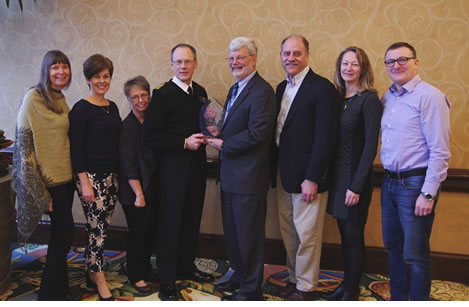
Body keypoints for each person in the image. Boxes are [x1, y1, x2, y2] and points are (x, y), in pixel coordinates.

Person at [206, 37, 276, 301]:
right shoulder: (235, 88)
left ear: (254, 60)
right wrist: (217, 129)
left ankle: (250, 290)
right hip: (231, 176)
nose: (235, 62)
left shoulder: (262, 91)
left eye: (240, 57)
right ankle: (238, 275)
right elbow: (237, 126)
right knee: (234, 234)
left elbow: (259, 134)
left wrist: (223, 143)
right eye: (231, 58)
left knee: (249, 237)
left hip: (249, 178)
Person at [142, 43, 213, 301]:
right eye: (178, 62)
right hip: (172, 171)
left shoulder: (201, 92)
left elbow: (206, 124)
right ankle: (167, 281)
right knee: (170, 225)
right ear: (172, 65)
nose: (183, 66)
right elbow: (150, 136)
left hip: (197, 168)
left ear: (195, 64)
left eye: (188, 61)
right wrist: (184, 142)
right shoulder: (162, 94)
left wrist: (211, 133)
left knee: (191, 220)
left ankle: (185, 265)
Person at [380, 42, 450, 300]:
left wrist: (428, 193)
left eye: (402, 59)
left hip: (415, 185)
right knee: (394, 248)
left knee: (416, 254)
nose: (396, 65)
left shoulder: (430, 97)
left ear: (416, 62)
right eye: (390, 62)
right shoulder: (387, 97)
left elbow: (440, 151)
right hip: (389, 184)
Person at [274, 35, 339, 301]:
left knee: (307, 236)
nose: (291, 58)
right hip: (283, 174)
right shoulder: (281, 87)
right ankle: (293, 278)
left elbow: (325, 138)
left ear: (307, 55)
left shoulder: (322, 88)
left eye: (297, 53)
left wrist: (313, 177)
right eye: (286, 53)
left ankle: (307, 287)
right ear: (280, 56)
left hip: (308, 179)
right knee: (289, 233)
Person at [12, 50, 75, 301]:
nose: (61, 72)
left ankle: (59, 288)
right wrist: (39, 189)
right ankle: (49, 295)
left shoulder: (60, 98)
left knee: (63, 237)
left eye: (64, 67)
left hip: (66, 179)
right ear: (46, 71)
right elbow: (23, 147)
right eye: (55, 67)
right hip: (50, 183)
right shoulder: (33, 97)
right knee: (62, 237)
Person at [322, 47, 382, 301]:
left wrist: (356, 186)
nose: (349, 68)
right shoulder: (337, 99)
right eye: (345, 64)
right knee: (344, 236)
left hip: (355, 181)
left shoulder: (369, 100)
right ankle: (345, 284)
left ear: (363, 69)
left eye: (354, 64)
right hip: (337, 180)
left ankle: (351, 290)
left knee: (354, 236)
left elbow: (370, 147)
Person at [69, 54, 121, 301]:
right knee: (97, 229)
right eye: (97, 76)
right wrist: (85, 182)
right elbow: (75, 148)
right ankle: (98, 277)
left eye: (106, 76)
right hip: (90, 177)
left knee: (101, 227)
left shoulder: (113, 107)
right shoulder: (81, 109)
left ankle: (92, 268)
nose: (102, 81)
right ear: (88, 79)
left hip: (112, 176)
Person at [118, 75, 157, 294]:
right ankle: (135, 274)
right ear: (128, 99)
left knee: (149, 232)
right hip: (133, 191)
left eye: (144, 95)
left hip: (150, 188)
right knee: (138, 233)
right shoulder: (128, 127)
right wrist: (139, 194)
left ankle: (144, 268)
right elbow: (128, 164)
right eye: (135, 97)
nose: (140, 100)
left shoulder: (151, 121)